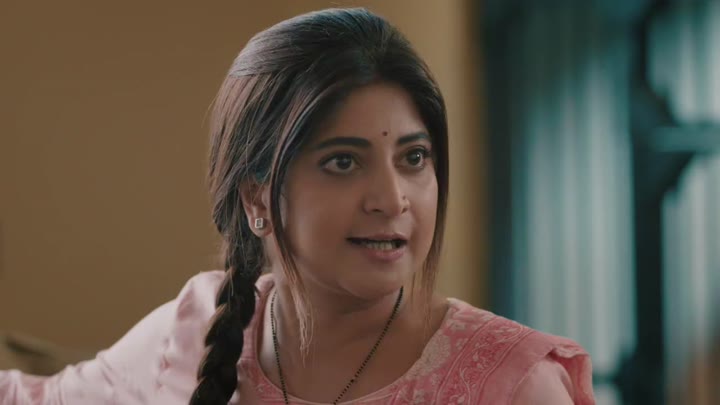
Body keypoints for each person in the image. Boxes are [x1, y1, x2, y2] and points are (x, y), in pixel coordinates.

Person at [0, 8, 595, 405]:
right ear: (256, 194)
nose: (392, 199)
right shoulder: (194, 330)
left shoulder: (514, 383)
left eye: (414, 158)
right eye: (343, 162)